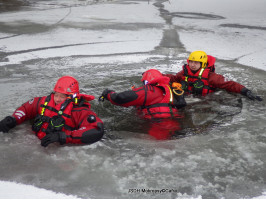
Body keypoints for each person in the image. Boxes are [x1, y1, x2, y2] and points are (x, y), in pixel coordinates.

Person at [0, 76, 104, 147]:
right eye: (56, 94)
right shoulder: (43, 101)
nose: (57, 99)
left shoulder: (80, 111)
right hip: (35, 143)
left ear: (72, 97)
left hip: (61, 150)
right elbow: (26, 109)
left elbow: (96, 130)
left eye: (62, 96)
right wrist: (13, 119)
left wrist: (63, 137)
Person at [100, 69, 186, 140]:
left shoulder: (149, 90)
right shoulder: (170, 89)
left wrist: (108, 94)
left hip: (158, 128)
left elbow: (121, 98)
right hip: (174, 124)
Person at [164, 50, 263, 101]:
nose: (193, 65)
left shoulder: (211, 76)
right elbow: (174, 78)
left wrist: (246, 91)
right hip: (190, 98)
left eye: (196, 63)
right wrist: (158, 76)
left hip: (207, 100)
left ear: (202, 64)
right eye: (191, 62)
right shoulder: (184, 73)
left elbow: (229, 84)